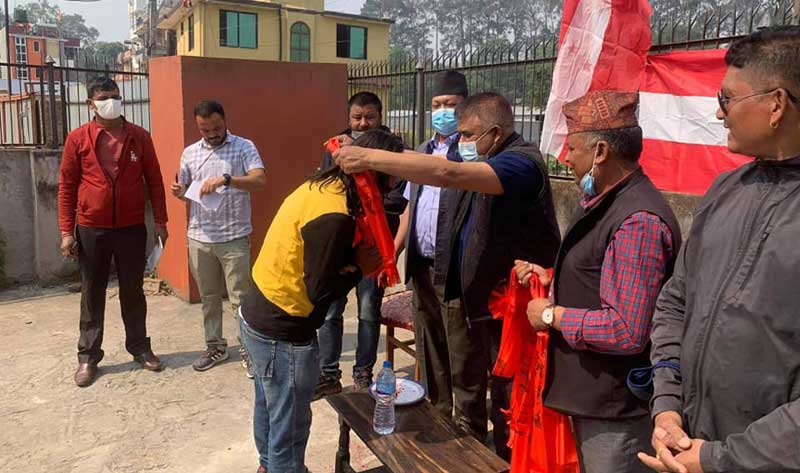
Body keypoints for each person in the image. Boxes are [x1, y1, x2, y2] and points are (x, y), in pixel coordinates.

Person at [335, 92, 561, 459]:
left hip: (519, 303)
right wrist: (369, 147)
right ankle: (465, 449)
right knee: (462, 372)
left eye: (468, 135)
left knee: (504, 390)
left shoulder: (521, 162)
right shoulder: (485, 154)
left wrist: (368, 157)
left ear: (495, 132)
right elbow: (434, 162)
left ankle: (501, 459)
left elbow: (447, 173)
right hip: (482, 293)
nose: (461, 143)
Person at [639, 26, 800, 473]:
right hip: (689, 448)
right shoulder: (725, 190)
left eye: (726, 99)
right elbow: (675, 302)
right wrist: (667, 405)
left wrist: (720, 460)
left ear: (776, 104)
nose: (717, 113)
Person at [517, 90, 681, 473]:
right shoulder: (606, 201)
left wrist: (551, 315)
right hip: (593, 398)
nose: (566, 158)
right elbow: (604, 275)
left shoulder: (637, 221)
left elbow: (626, 328)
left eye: (573, 148)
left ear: (601, 152)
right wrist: (554, 279)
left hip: (615, 410)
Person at [240, 129, 403, 473]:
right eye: (391, 176)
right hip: (283, 329)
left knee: (270, 408)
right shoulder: (335, 214)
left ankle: (269, 466)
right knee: (291, 429)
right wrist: (359, 268)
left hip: (259, 312)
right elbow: (320, 291)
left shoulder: (323, 186)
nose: (394, 186)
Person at [58, 76, 168, 387]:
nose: (112, 102)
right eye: (104, 97)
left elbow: (155, 182)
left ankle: (140, 348)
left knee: (133, 290)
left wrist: (161, 222)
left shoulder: (139, 137)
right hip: (92, 227)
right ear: (90, 104)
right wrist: (67, 231)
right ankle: (88, 356)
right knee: (92, 292)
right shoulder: (77, 139)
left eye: (115, 96)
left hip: (131, 227)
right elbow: (67, 186)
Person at [315, 92, 407, 397]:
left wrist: (366, 204)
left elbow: (396, 199)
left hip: (375, 246)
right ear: (349, 118)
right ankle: (328, 372)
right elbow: (329, 189)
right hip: (342, 245)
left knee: (368, 311)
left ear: (380, 116)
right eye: (357, 117)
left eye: (369, 117)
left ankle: (363, 372)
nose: (363, 123)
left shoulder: (393, 150)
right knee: (331, 311)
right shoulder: (336, 148)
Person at [393, 70, 469, 422]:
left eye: (450, 104)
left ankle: (467, 425)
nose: (442, 111)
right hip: (420, 265)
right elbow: (411, 206)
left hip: (453, 268)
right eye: (436, 104)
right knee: (429, 343)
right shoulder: (423, 151)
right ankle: (438, 415)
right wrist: (395, 250)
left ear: (465, 106)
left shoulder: (469, 154)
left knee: (460, 347)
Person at [171, 100, 266, 376]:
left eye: (216, 128)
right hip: (200, 237)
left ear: (225, 120)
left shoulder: (244, 147)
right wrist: (179, 191)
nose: (212, 134)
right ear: (197, 126)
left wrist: (228, 179)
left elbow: (259, 180)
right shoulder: (190, 153)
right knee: (209, 297)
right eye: (205, 130)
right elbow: (185, 189)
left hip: (234, 237)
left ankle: (249, 350)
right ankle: (215, 346)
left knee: (240, 298)